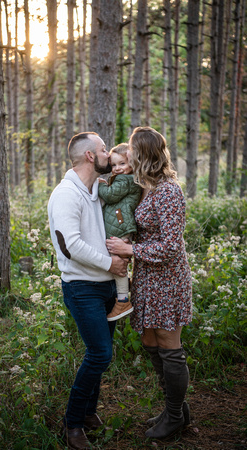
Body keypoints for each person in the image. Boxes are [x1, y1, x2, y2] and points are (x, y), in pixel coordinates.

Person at [105, 126, 193, 440]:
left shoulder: (168, 189)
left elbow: (171, 245)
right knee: (150, 342)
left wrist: (130, 249)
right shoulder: (145, 186)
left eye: (131, 150)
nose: (127, 154)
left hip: (168, 278)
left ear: (144, 154)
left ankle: (173, 418)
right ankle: (176, 409)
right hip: (146, 277)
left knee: (169, 347)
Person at [48, 132, 128, 450]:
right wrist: (110, 263)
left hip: (107, 287)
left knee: (102, 357)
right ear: (91, 157)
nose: (109, 153)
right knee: (100, 354)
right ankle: (73, 424)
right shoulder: (66, 194)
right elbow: (71, 246)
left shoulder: (95, 189)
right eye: (104, 149)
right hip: (82, 289)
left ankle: (89, 413)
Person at [98, 143, 141, 321]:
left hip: (121, 226)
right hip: (119, 224)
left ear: (132, 164)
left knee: (118, 266)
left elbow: (109, 195)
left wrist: (99, 185)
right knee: (119, 265)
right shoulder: (125, 179)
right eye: (114, 165)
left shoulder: (126, 180)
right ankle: (124, 288)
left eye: (122, 164)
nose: (117, 169)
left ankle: (123, 300)